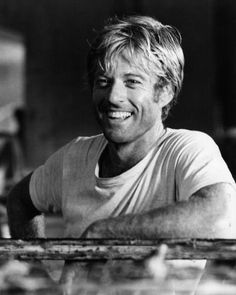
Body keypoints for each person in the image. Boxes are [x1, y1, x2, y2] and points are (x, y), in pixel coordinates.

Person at [6, 15, 236, 292]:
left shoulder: (186, 150)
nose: (113, 96)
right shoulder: (73, 158)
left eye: (132, 82)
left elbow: (219, 215)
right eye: (103, 81)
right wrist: (38, 273)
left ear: (164, 92)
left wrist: (102, 234)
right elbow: (20, 200)